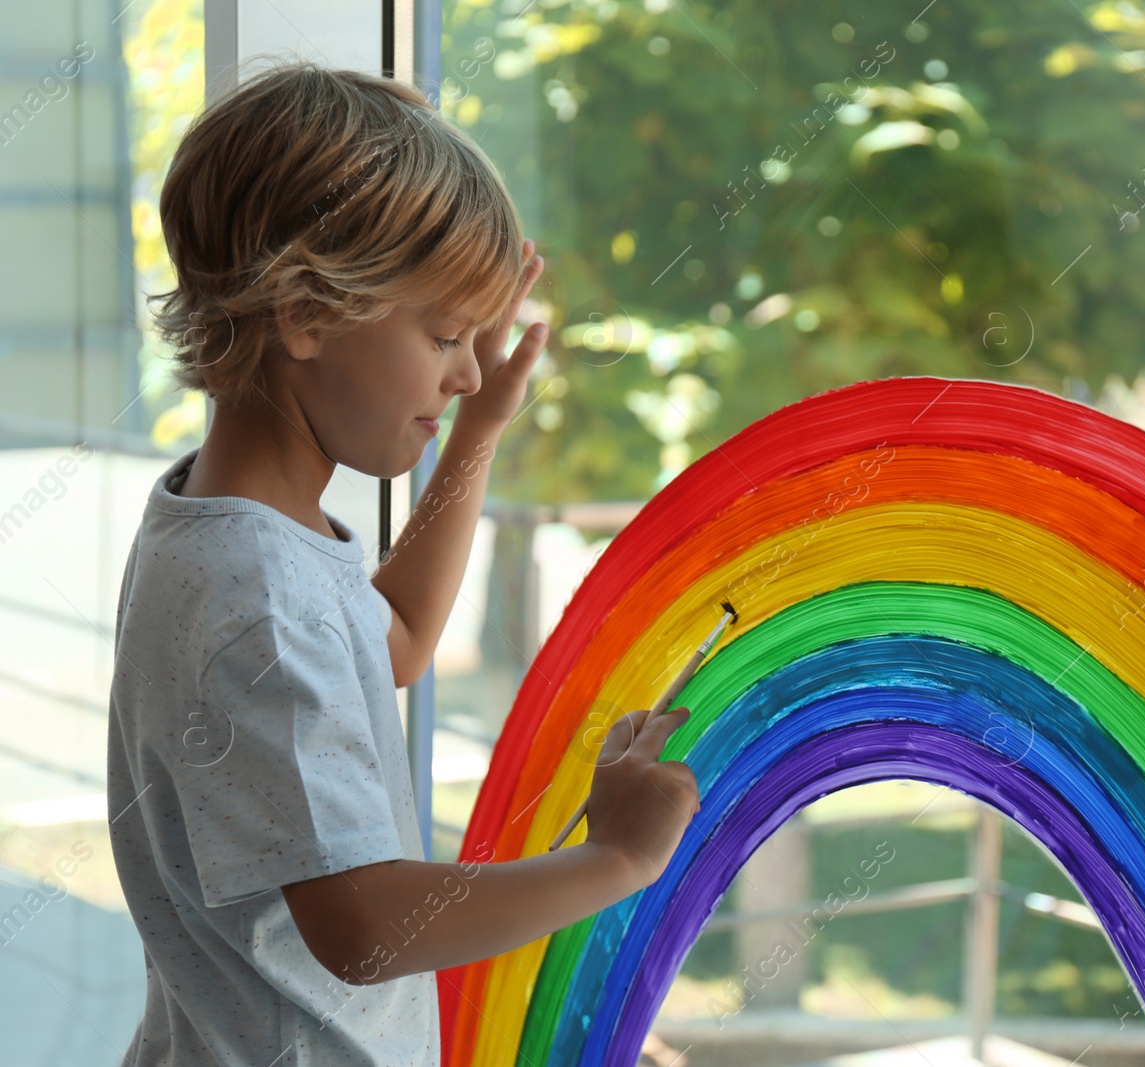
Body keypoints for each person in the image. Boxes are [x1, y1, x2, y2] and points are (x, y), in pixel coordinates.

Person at [105, 60, 700, 1066]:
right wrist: (619, 857)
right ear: (305, 314)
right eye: (444, 334)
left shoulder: (239, 530)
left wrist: (474, 430)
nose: (467, 367)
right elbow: (364, 923)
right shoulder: (255, 591)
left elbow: (400, 642)